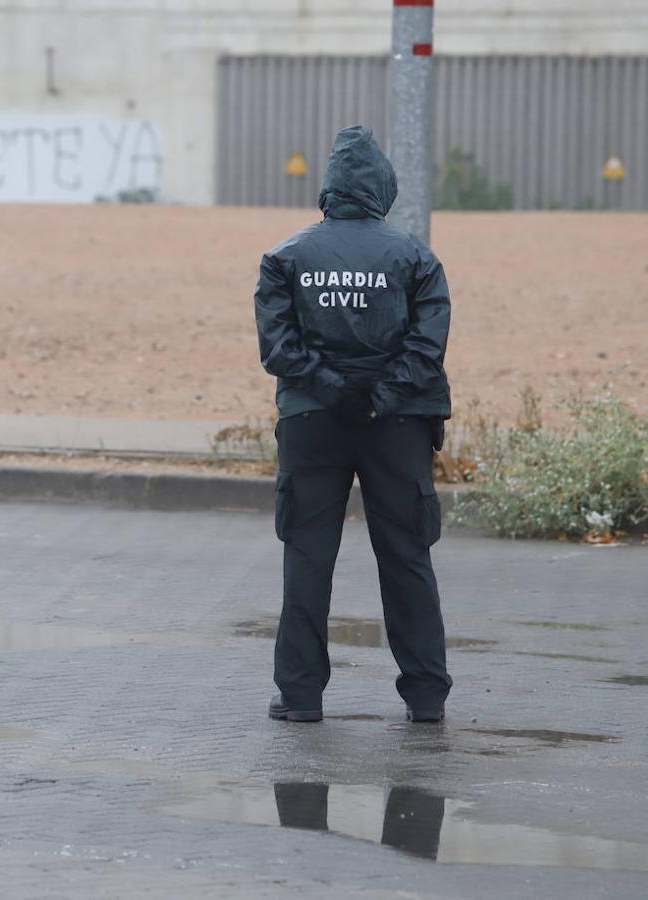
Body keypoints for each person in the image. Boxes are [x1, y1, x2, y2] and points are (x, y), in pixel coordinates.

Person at [254, 125, 452, 724]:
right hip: (398, 426)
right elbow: (427, 345)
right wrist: (380, 395)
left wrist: (333, 388)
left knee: (308, 556)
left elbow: (278, 348)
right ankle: (425, 697)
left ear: (329, 189)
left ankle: (301, 696)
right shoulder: (416, 257)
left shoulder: (285, 258)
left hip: (313, 421)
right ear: (383, 189)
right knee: (406, 557)